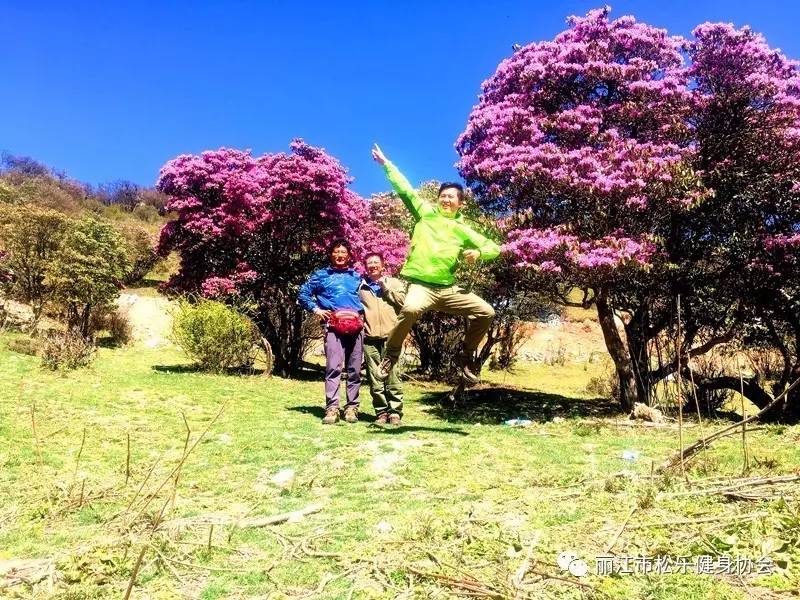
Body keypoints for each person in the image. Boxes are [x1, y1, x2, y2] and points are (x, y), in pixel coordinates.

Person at [371, 144, 500, 384]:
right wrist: (387, 165)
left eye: (451, 197)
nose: (445, 200)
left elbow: (494, 248)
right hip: (421, 287)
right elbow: (406, 190)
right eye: (443, 196)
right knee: (410, 309)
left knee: (486, 312)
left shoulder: (463, 230)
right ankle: (391, 355)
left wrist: (479, 252)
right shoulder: (425, 213)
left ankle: (464, 356)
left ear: (460, 203)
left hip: (448, 289)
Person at [298, 239, 364, 425]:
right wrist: (316, 310)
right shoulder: (321, 275)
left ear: (349, 255)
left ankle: (352, 407)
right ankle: (332, 408)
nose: (340, 255)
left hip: (356, 327)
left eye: (344, 252)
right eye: (336, 251)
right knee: (333, 368)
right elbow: (303, 294)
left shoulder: (357, 277)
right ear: (331, 254)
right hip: (333, 327)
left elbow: (371, 295)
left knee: (355, 370)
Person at [358, 252, 407, 425]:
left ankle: (395, 412)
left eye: (376, 262)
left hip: (391, 337)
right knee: (374, 377)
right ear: (366, 266)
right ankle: (381, 412)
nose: (372, 265)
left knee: (393, 375)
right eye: (369, 262)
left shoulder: (394, 282)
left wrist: (386, 289)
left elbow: (404, 303)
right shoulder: (361, 287)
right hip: (370, 339)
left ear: (383, 265)